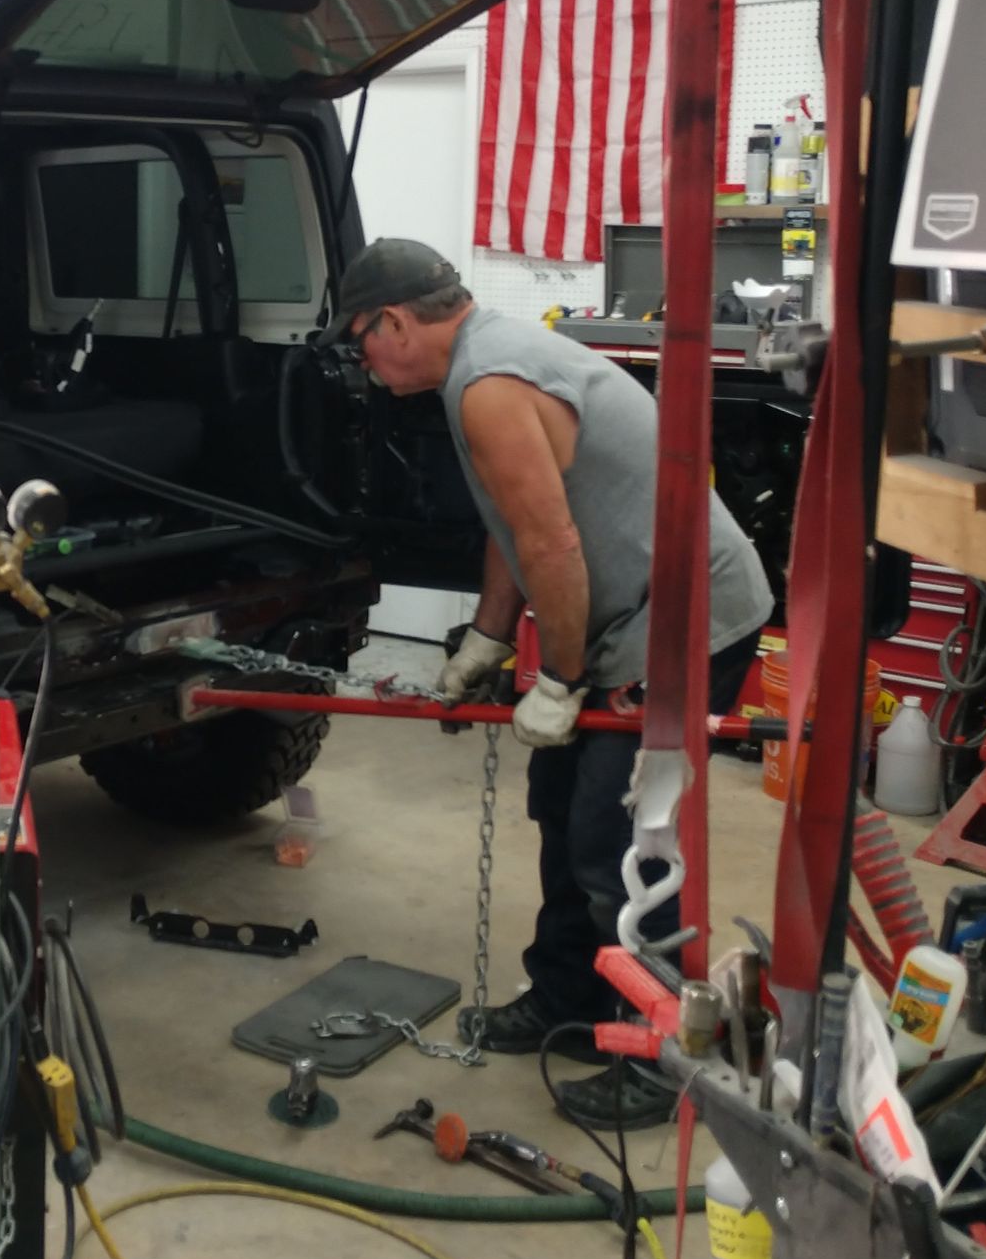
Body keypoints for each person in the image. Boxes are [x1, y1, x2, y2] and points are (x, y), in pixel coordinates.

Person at [326, 239, 774, 1125]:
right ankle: (569, 998)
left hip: (682, 621)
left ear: (395, 322)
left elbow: (553, 545)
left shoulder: (490, 385)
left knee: (621, 835)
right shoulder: (481, 363)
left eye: (360, 340)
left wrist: (561, 680)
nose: (363, 363)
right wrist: (489, 641)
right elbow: (517, 524)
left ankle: (662, 1055)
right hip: (630, 618)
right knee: (562, 805)